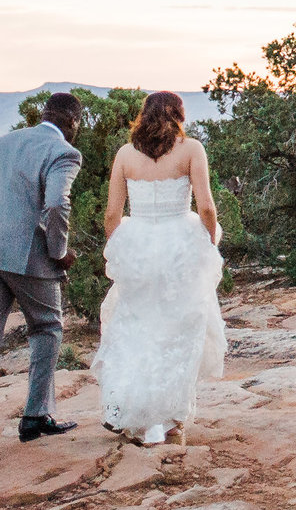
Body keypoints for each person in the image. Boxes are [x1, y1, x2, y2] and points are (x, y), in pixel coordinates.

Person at [0, 91, 85, 475]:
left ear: (43, 113)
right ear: (73, 123)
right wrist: (57, 251)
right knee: (47, 326)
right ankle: (36, 416)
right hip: (26, 257)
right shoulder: (64, 153)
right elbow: (57, 204)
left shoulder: (1, 142)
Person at [93, 89, 227, 445]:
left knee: (136, 329)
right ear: (178, 115)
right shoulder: (191, 149)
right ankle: (166, 419)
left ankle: (134, 415)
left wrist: (119, 248)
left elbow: (111, 215)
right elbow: (208, 209)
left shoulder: (125, 154)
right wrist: (209, 242)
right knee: (176, 332)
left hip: (138, 245)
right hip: (179, 247)